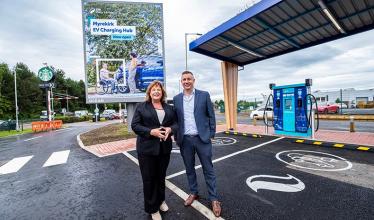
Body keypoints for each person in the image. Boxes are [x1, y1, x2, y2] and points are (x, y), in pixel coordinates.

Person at [173, 71, 222, 217]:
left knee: (209, 169)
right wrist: (177, 136)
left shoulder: (204, 95)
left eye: (189, 79)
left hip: (202, 139)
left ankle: (214, 199)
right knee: (189, 169)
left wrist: (211, 134)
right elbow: (175, 120)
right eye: (184, 79)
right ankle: (193, 192)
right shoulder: (176, 99)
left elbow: (211, 115)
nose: (186, 81)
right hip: (185, 140)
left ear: (193, 80)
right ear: (181, 82)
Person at [131, 80, 177, 220]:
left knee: (161, 177)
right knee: (149, 179)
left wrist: (170, 129)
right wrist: (151, 132)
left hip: (164, 149)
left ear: (162, 93)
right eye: (153, 89)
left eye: (159, 89)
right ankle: (152, 208)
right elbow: (135, 125)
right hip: (147, 150)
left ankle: (161, 201)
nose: (156, 91)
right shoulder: (141, 107)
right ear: (149, 93)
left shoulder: (169, 108)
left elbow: (176, 124)